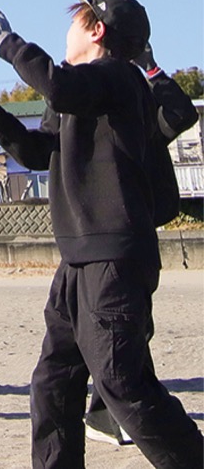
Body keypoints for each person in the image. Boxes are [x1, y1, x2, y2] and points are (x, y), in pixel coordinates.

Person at [0, 0, 203, 467]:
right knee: (52, 384)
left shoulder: (118, 79)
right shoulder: (76, 92)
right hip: (78, 261)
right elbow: (40, 153)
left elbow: (60, 86)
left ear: (96, 30)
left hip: (114, 257)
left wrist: (7, 41)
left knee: (121, 381)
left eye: (75, 20)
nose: (66, 29)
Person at [82, 43, 199, 446]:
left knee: (125, 324)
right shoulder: (97, 108)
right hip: (110, 230)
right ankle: (105, 413)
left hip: (138, 224)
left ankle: (105, 413)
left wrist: (150, 67)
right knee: (119, 326)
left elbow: (183, 113)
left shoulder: (144, 117)